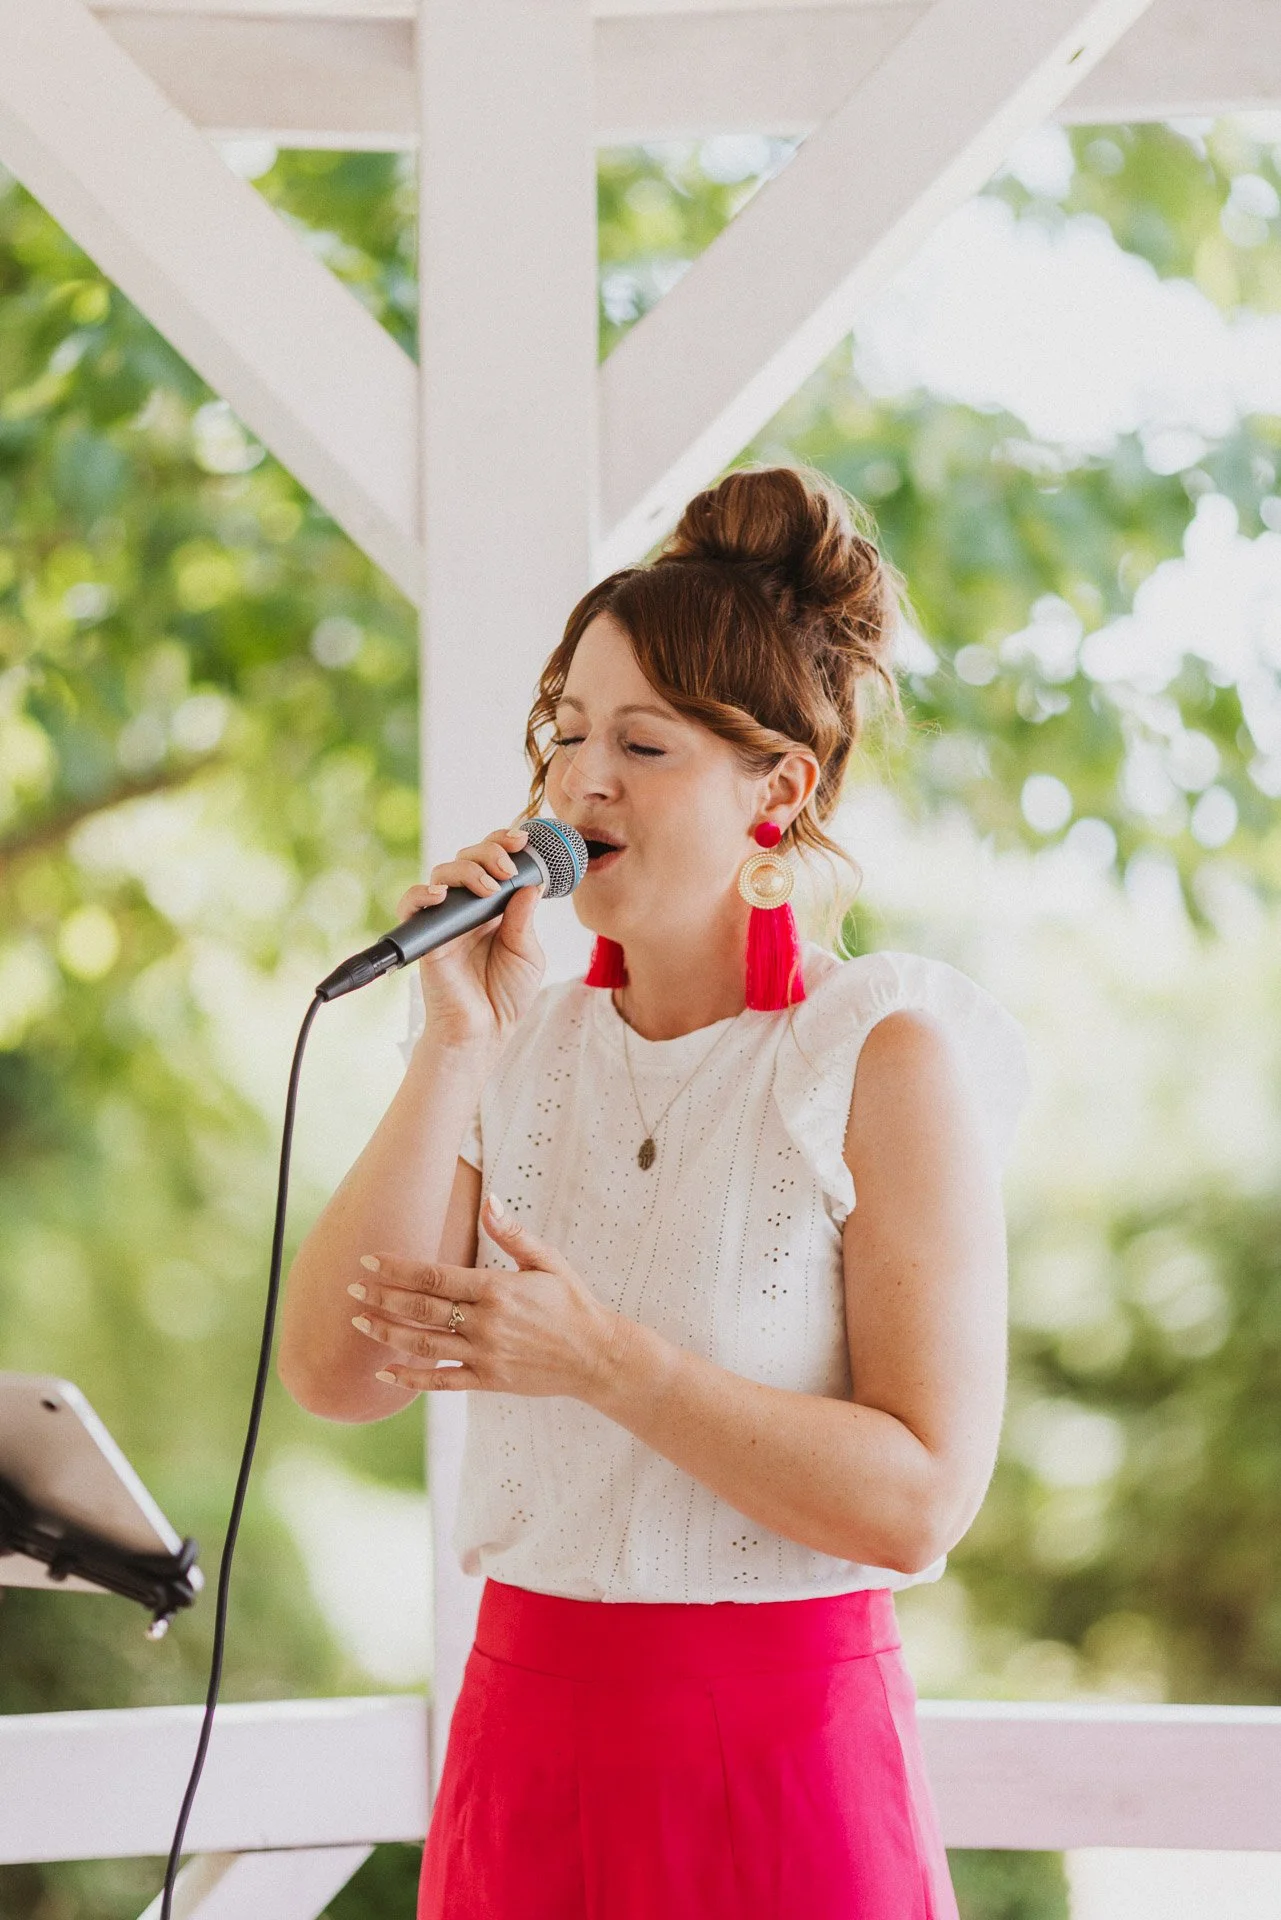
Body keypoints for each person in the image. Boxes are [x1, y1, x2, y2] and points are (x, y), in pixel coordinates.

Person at [278, 463, 1031, 1920]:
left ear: (780, 787)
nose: (579, 781)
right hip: (527, 1753)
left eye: (643, 742)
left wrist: (606, 1363)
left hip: (784, 1774)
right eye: (563, 736)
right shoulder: (521, 1051)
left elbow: (922, 1501)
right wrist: (452, 1042)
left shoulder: (881, 1057)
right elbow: (333, 1372)